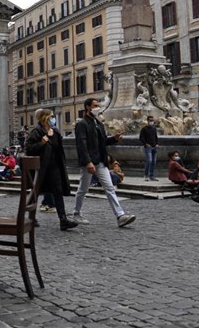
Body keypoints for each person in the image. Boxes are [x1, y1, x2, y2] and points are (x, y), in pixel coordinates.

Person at [73, 98, 135, 228]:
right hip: (89, 162)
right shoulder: (82, 124)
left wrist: (115, 139)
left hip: (101, 162)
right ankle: (76, 213)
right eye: (95, 105)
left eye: (98, 105)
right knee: (83, 189)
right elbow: (81, 145)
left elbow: (103, 142)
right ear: (87, 107)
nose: (98, 107)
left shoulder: (98, 123)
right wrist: (88, 162)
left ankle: (120, 215)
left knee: (109, 187)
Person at [25, 109, 77, 230]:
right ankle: (31, 218)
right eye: (51, 117)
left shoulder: (56, 132)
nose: (53, 119)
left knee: (58, 192)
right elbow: (29, 149)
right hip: (42, 168)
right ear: (45, 118)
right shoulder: (36, 132)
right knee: (36, 192)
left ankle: (63, 220)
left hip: (54, 168)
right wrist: (41, 143)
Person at [139, 115, 159, 181]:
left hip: (154, 147)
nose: (152, 122)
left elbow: (156, 137)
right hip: (148, 147)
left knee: (154, 162)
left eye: (152, 120)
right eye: (150, 120)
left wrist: (157, 144)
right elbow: (141, 138)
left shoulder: (154, 128)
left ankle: (152, 176)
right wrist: (146, 144)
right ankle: (146, 175)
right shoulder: (144, 129)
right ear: (147, 121)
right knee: (149, 161)